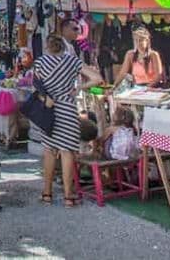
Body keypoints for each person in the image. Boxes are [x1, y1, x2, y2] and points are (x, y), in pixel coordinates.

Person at [36, 34, 103, 208]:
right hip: (67, 109)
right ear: (64, 46)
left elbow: (36, 86)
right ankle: (68, 196)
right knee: (67, 152)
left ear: (47, 46)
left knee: (49, 150)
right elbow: (97, 78)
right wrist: (79, 87)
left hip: (49, 110)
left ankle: (47, 193)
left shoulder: (40, 63)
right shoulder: (73, 61)